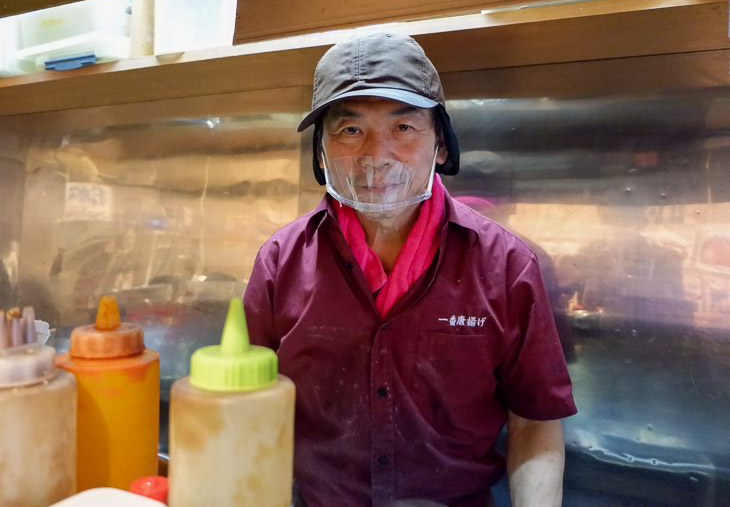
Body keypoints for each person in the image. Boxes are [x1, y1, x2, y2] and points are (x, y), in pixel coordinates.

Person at [244, 31, 576, 506]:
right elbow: (249, 411)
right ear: (320, 153)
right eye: (351, 130)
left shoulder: (506, 264)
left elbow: (535, 418)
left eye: (403, 128)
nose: (377, 154)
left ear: (441, 145)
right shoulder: (280, 262)